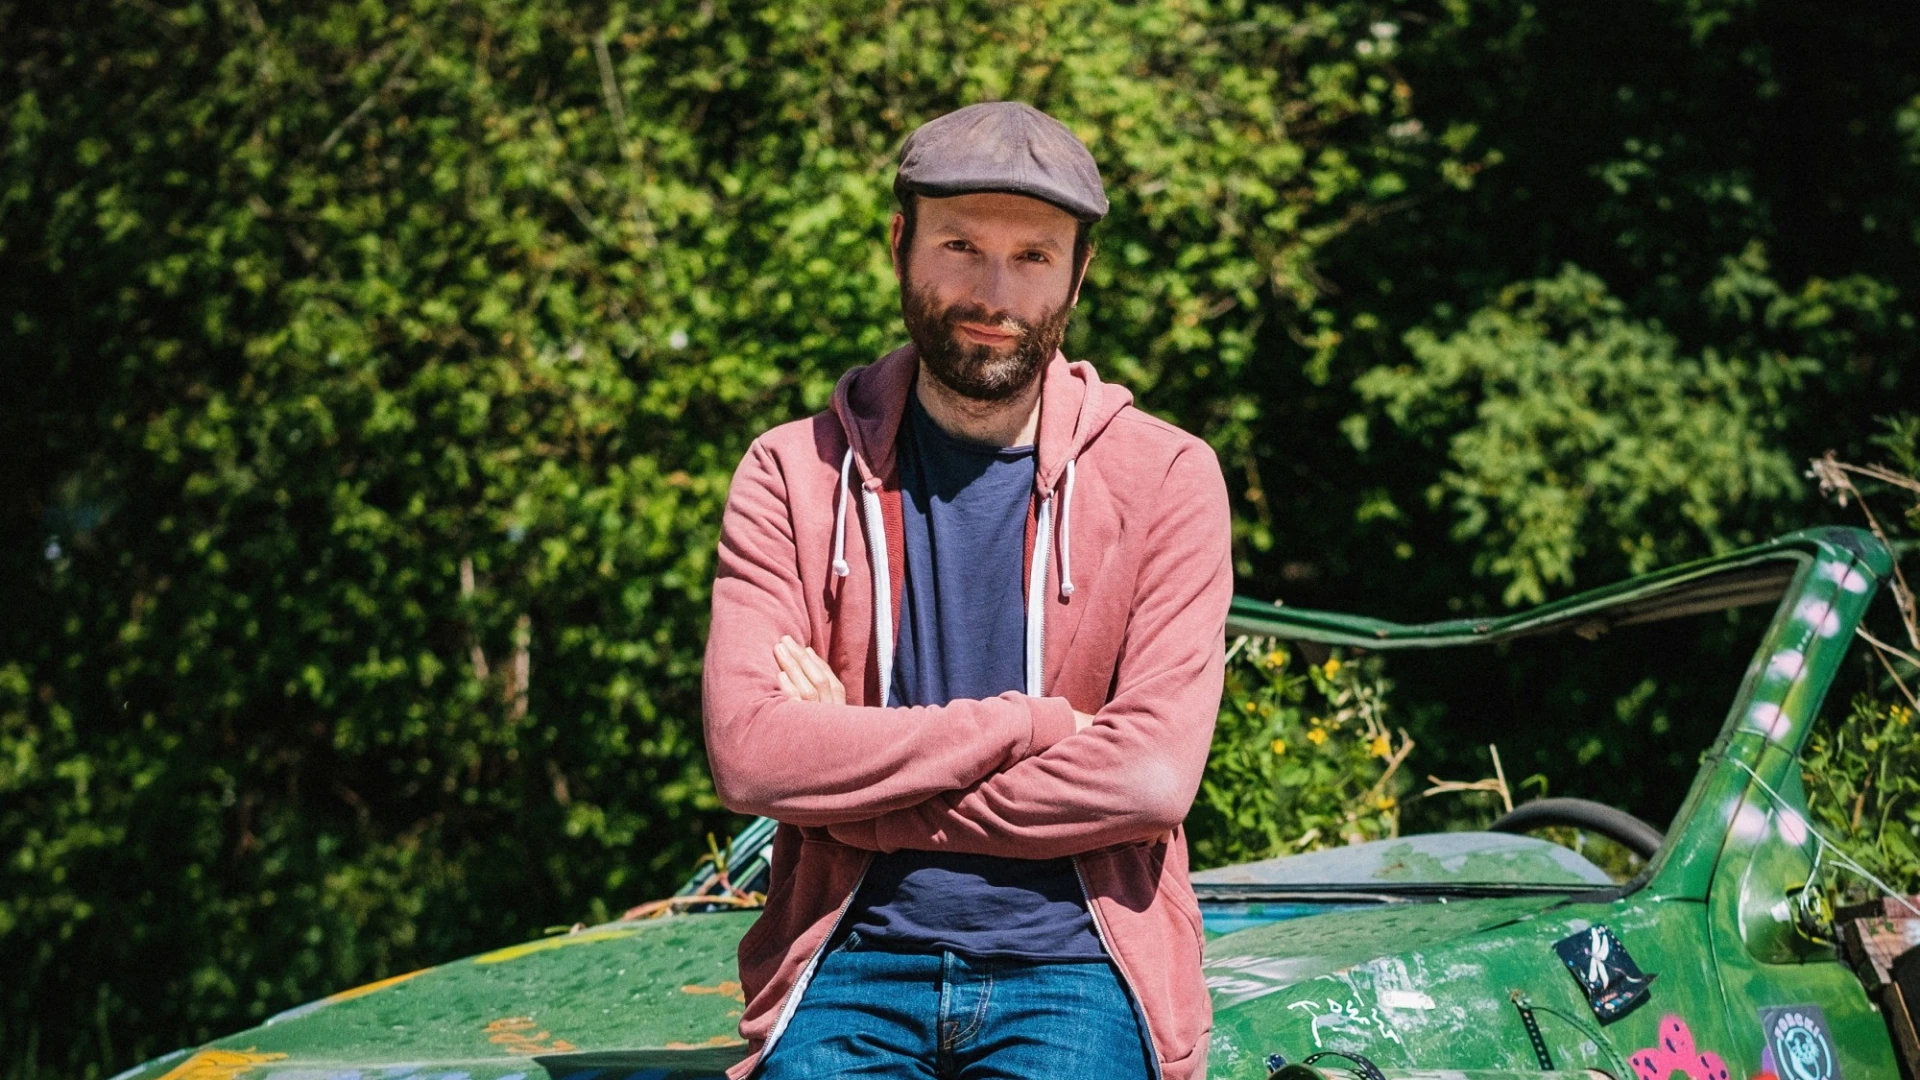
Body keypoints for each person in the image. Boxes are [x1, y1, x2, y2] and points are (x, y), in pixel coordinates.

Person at [703, 101, 1232, 1080]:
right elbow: (752, 755)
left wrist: (846, 792)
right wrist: (1035, 729)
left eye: (1033, 256)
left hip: (1079, 966)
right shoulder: (794, 474)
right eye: (960, 245)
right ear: (900, 243)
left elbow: (1151, 779)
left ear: (1078, 273)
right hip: (849, 960)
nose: (995, 290)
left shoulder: (1167, 479)